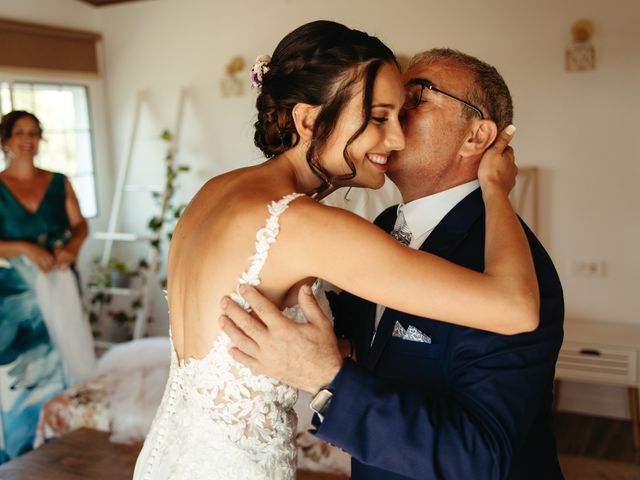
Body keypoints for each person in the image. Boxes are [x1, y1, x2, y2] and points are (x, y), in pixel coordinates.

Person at [134, 22, 538, 480]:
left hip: (169, 457)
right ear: (308, 120)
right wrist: (497, 188)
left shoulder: (217, 192)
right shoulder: (306, 225)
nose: (397, 137)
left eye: (405, 111)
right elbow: (516, 307)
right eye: (380, 117)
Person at [221, 48, 565, 480]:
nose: (392, 119)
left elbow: (481, 457)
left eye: (416, 98)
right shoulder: (383, 227)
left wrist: (330, 380)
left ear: (476, 137)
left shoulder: (513, 271)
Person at [0, 110, 89, 463]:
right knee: (23, 372)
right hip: (15, 297)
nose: (28, 138)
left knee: (68, 358)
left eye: (34, 132)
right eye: (20, 132)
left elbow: (80, 225)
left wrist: (71, 248)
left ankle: (69, 444)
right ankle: (22, 451)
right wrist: (24, 247)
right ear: (5, 140)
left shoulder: (58, 181)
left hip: (60, 281)